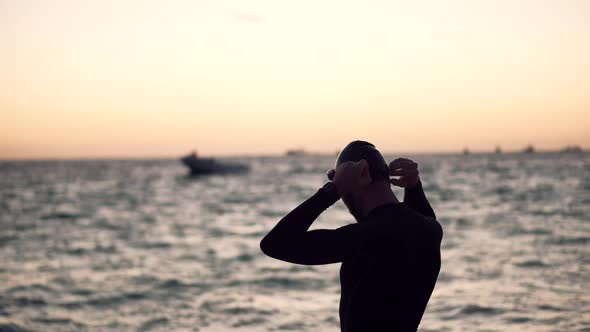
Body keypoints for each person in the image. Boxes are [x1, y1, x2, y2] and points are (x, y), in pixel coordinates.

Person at [260, 140, 443, 332]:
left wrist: (332, 191)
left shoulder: (364, 238)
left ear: (356, 181)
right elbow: (421, 218)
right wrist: (414, 188)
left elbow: (274, 244)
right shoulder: (430, 230)